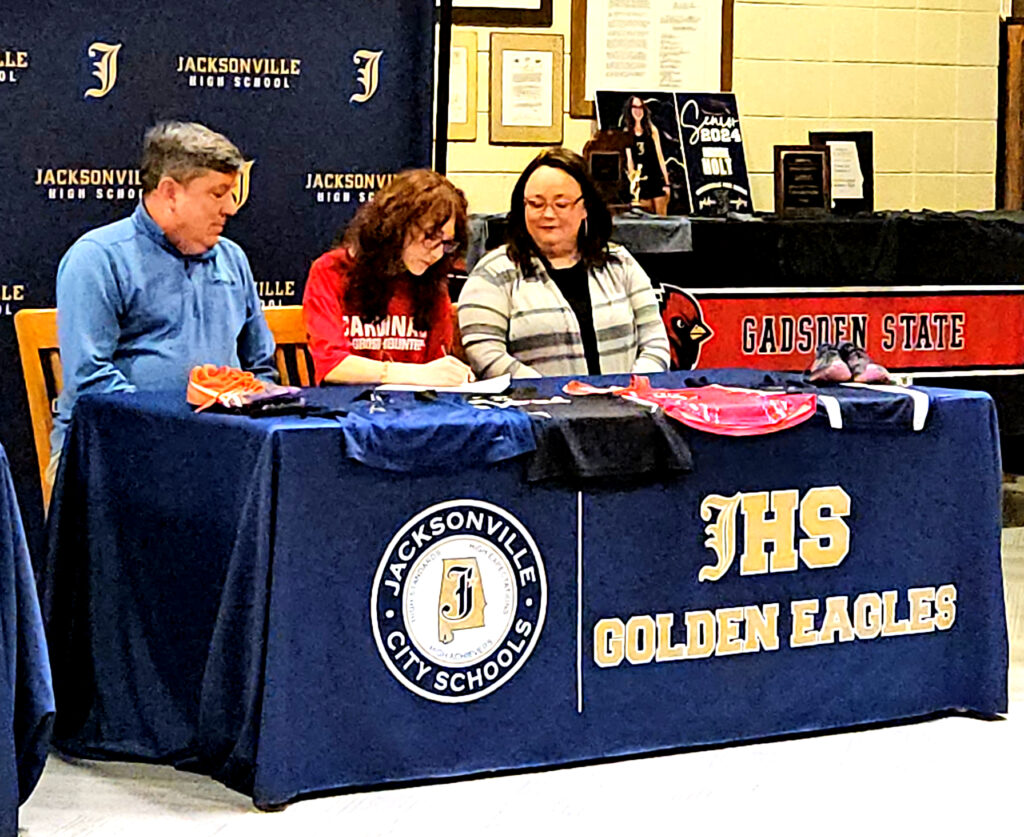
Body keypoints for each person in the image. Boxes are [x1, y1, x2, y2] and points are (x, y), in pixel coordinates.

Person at [50, 121, 275, 482]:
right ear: (170, 192)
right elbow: (90, 381)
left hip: (223, 443)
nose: (231, 208)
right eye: (217, 194)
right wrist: (177, 428)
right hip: (115, 448)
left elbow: (260, 367)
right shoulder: (98, 258)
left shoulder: (233, 258)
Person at [458, 147, 670, 379]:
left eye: (561, 204)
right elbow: (485, 354)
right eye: (536, 204)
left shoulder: (621, 263)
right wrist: (552, 395)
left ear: (585, 207)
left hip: (628, 406)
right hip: (533, 410)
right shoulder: (492, 274)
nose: (548, 214)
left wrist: (634, 388)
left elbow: (655, 342)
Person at [303, 169, 473, 387]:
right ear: (396, 225)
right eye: (430, 237)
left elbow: (436, 365)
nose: (437, 253)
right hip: (348, 412)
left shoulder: (432, 280)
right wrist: (411, 374)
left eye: (446, 243)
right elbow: (332, 364)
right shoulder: (331, 271)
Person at [621, 96, 671, 215]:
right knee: (645, 218)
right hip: (641, 180)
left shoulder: (652, 130)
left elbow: (660, 156)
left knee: (661, 219)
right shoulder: (627, 132)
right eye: (635, 107)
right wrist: (633, 183)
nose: (638, 111)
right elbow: (630, 161)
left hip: (655, 178)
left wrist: (666, 182)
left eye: (640, 107)